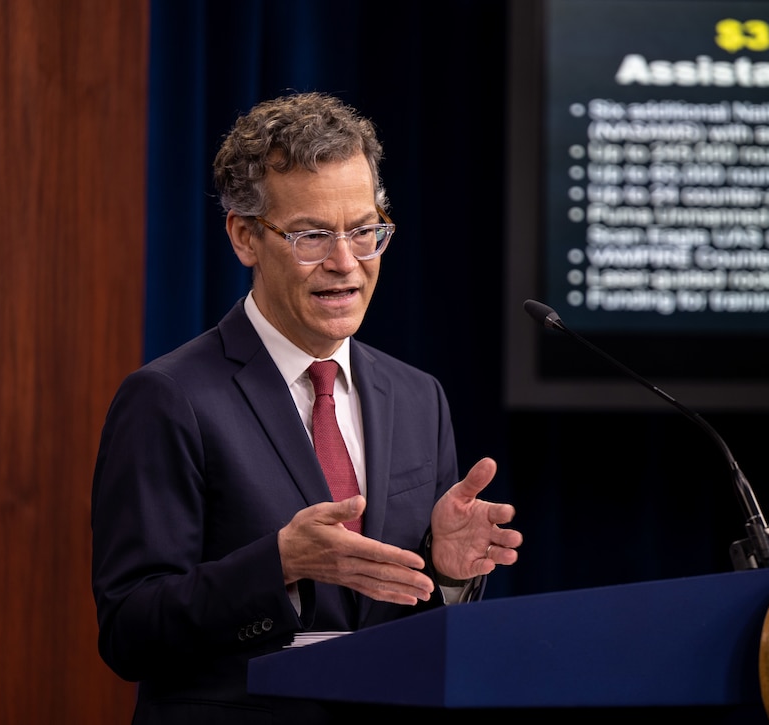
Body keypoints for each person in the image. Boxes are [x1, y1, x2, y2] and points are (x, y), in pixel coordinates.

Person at [90, 91, 523, 725]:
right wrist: (280, 564)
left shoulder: (417, 396)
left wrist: (446, 572)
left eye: (364, 230)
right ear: (244, 237)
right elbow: (129, 630)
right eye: (312, 235)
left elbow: (402, 630)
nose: (346, 263)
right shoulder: (169, 398)